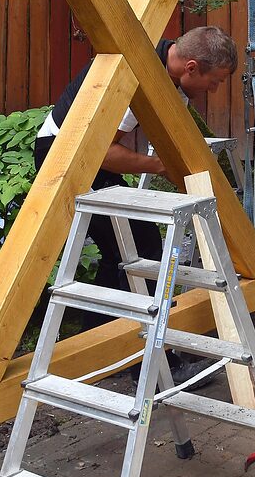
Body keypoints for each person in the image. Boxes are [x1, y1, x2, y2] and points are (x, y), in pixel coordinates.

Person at [34, 25, 236, 308]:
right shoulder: (137, 79)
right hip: (61, 154)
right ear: (191, 67)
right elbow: (102, 153)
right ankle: (126, 334)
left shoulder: (169, 73)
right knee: (139, 246)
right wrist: (159, 166)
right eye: (215, 81)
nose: (214, 90)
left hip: (86, 154)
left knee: (130, 245)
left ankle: (110, 332)